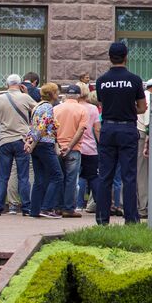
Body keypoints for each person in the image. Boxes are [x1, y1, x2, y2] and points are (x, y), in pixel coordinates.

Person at [93, 44, 147, 224]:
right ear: (126, 57)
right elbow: (142, 107)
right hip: (127, 128)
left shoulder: (101, 81)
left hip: (107, 128)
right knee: (129, 176)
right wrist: (128, 110)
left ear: (109, 57)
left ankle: (102, 218)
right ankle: (131, 219)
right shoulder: (134, 80)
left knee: (105, 176)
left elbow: (102, 103)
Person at [0, 74, 36, 216]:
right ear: (21, 84)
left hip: (5, 141)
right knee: (23, 176)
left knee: (4, 176)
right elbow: (37, 110)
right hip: (21, 140)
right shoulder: (25, 97)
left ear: (7, 84)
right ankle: (26, 207)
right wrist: (27, 94)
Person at [52, 84, 90, 218]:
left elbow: (51, 129)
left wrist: (58, 144)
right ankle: (68, 208)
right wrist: (69, 146)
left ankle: (57, 207)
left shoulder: (56, 109)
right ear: (79, 95)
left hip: (57, 147)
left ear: (66, 95)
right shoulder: (82, 110)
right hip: (74, 148)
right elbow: (81, 130)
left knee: (58, 178)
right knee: (71, 179)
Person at [25, 83, 62, 219]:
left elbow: (32, 126)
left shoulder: (37, 106)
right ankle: (46, 208)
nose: (58, 94)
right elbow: (43, 125)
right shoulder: (48, 107)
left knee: (39, 179)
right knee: (57, 176)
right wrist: (33, 141)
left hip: (37, 146)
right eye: (57, 92)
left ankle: (34, 210)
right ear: (52, 94)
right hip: (45, 144)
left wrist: (29, 141)